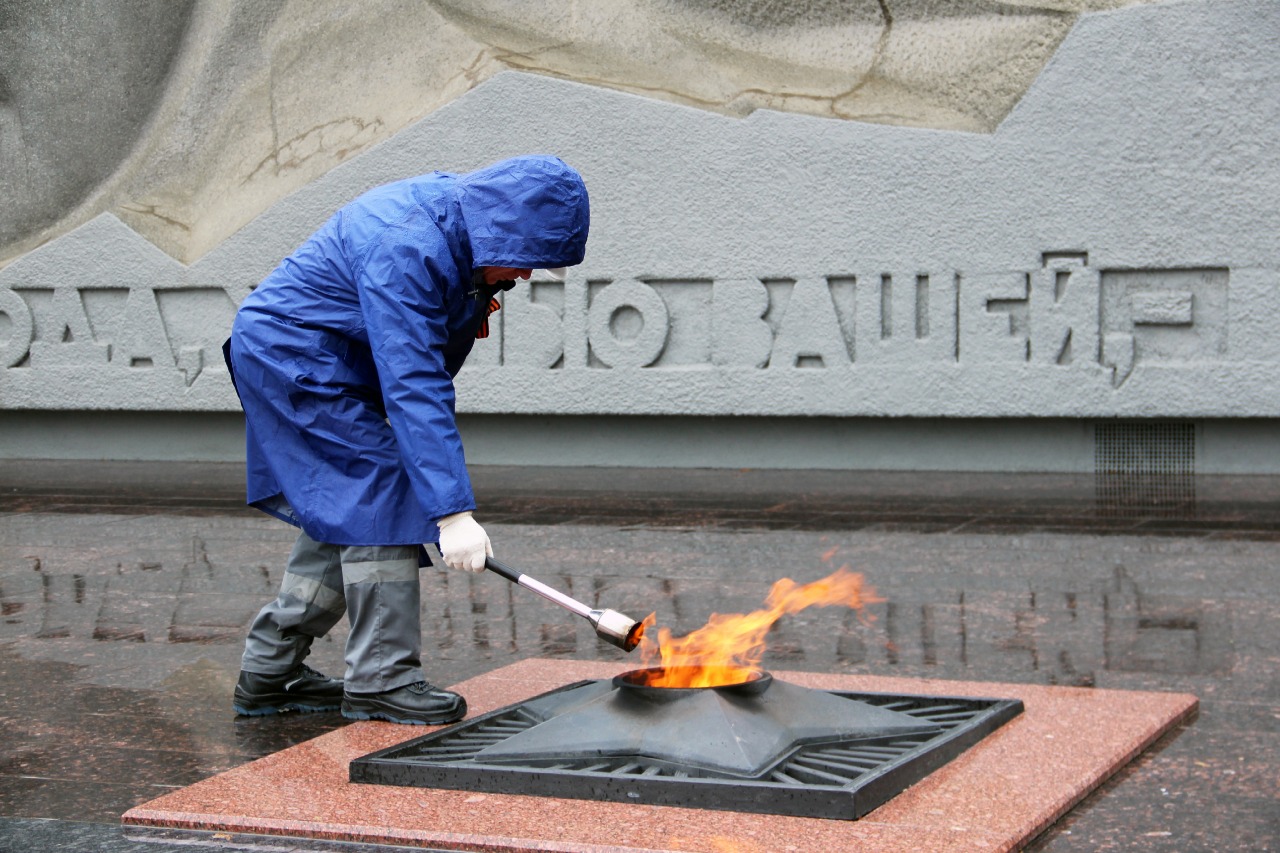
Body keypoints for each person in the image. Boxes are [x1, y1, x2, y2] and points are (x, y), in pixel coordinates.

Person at [224, 155, 590, 725]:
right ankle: (381, 680)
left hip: (335, 359)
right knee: (381, 497)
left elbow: (423, 366)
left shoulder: (463, 231)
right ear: (500, 232)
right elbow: (415, 383)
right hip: (296, 359)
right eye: (523, 263)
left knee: (350, 510)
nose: (523, 277)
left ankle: (271, 672)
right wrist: (452, 513)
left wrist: (440, 491)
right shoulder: (407, 246)